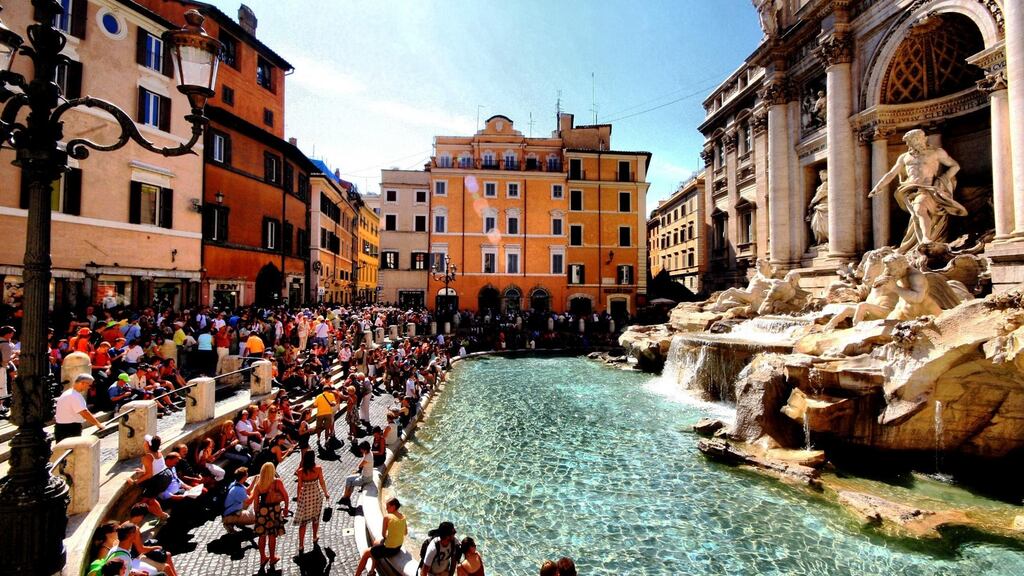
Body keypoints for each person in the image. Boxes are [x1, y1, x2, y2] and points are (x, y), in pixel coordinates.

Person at [868, 128, 966, 253]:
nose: (910, 144)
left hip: (927, 189)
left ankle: (926, 238)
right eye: (909, 142)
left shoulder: (936, 152)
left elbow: (955, 166)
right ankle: (920, 243)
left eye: (913, 140)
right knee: (915, 215)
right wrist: (878, 187)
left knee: (919, 209)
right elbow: (891, 173)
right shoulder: (904, 157)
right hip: (909, 190)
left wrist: (944, 178)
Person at [245, 461, 289, 570]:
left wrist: (257, 516)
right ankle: (273, 557)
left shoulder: (258, 485)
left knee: (262, 536)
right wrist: (286, 508)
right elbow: (286, 496)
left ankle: (263, 557)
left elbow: (255, 504)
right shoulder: (277, 482)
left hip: (262, 511)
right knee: (272, 535)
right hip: (275, 510)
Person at [354, 497, 406, 576]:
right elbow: (405, 533)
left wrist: (388, 536)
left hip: (389, 549)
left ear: (393, 507)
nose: (386, 509)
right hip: (398, 547)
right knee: (375, 543)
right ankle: (372, 571)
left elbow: (383, 534)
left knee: (365, 553)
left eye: (388, 507)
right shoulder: (403, 517)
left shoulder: (387, 517)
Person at [294, 450, 329, 554]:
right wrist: (326, 493)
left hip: (306, 497)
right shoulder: (318, 469)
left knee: (303, 523)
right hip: (316, 495)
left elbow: (299, 486)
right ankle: (314, 537)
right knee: (315, 518)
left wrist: (298, 497)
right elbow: (322, 482)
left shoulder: (300, 471)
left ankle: (301, 545)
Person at [55, 373, 105, 442]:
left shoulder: (69, 393)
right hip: (70, 429)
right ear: (82, 383)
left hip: (64, 427)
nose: (89, 387)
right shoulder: (74, 396)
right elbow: (84, 413)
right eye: (89, 385)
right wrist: (99, 425)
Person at [339, 442, 373, 506]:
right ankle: (346, 498)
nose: (360, 450)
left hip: (365, 478)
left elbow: (360, 465)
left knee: (350, 482)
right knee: (348, 478)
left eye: (361, 449)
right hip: (364, 475)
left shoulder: (367, 457)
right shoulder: (369, 453)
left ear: (365, 450)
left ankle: (345, 498)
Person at [222, 466, 255, 533]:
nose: (247, 474)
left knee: (246, 499)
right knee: (255, 518)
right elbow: (249, 501)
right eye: (246, 474)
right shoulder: (239, 490)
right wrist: (256, 490)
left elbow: (247, 491)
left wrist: (254, 481)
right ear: (243, 477)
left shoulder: (235, 483)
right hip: (230, 515)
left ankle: (236, 520)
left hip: (229, 511)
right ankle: (230, 522)